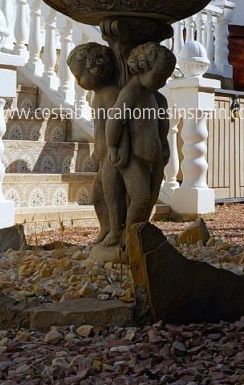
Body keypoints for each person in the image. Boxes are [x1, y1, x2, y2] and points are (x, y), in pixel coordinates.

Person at [103, 42, 177, 244]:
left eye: (165, 78)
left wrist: (164, 144)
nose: (161, 82)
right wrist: (112, 146)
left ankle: (139, 232)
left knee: (150, 201)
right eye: (158, 75)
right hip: (134, 158)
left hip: (155, 158)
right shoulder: (132, 92)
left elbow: (163, 125)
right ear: (142, 67)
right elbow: (114, 120)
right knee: (141, 199)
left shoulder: (157, 97)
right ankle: (128, 235)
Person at [66, 42, 123, 245]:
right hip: (103, 155)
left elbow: (118, 123)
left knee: (112, 196)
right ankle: (106, 228)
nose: (78, 81)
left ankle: (117, 231)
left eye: (80, 76)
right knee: (99, 194)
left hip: (112, 156)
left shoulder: (109, 95)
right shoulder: (98, 95)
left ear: (96, 69)